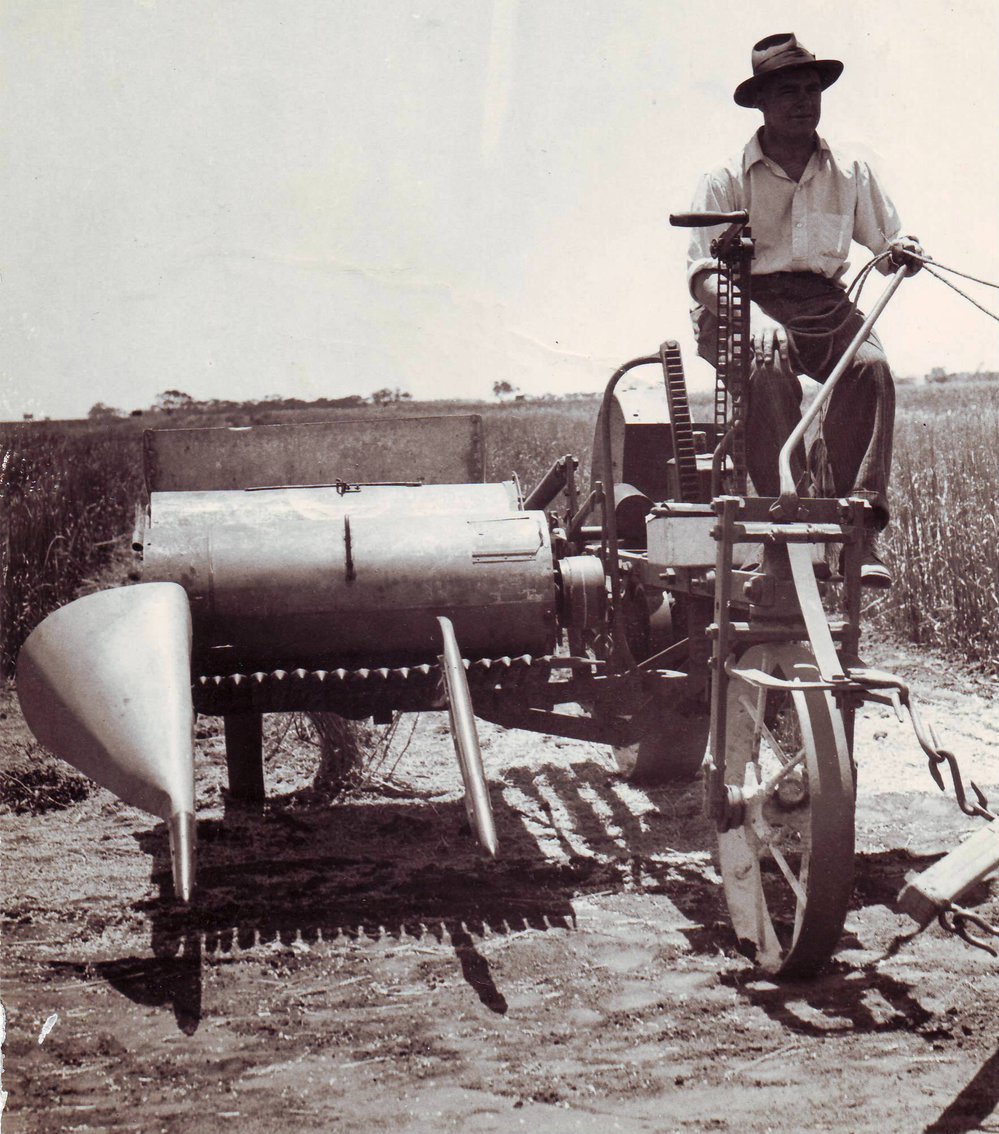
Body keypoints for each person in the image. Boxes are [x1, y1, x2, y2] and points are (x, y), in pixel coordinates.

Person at [685, 33, 922, 587]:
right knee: (767, 372)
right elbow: (702, 275)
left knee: (870, 367)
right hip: (741, 302)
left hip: (821, 301)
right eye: (788, 91)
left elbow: (887, 243)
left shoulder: (851, 170)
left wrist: (902, 251)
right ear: (761, 102)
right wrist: (756, 320)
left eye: (811, 89)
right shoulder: (724, 178)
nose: (803, 101)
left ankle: (855, 530)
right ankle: (784, 528)